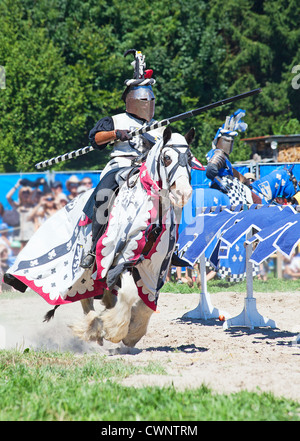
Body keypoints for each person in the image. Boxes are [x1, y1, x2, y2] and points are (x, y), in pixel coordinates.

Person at [80, 49, 165, 269]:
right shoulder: (116, 120)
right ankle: (92, 246)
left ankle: (168, 246)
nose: (148, 103)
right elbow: (96, 139)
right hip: (122, 165)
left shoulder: (159, 126)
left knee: (170, 197)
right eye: (144, 99)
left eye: (151, 99)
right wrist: (115, 134)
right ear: (134, 100)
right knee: (104, 193)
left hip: (148, 171)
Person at [6, 181, 36, 249]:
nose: (25, 194)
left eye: (27, 192)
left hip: (30, 237)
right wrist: (17, 185)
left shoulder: (33, 206)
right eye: (23, 192)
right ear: (20, 194)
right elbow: (8, 197)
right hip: (18, 238)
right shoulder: (17, 206)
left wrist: (31, 185)